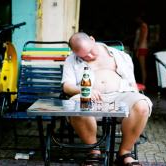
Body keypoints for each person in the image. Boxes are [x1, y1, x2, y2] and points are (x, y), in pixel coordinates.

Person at [61, 32, 153, 166]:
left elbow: (132, 84)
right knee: (76, 105)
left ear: (92, 39)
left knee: (142, 105)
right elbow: (67, 87)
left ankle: (124, 153)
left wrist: (137, 96)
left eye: (91, 51)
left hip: (121, 94)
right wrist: (84, 91)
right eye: (85, 56)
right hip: (90, 97)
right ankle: (93, 152)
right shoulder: (71, 59)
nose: (90, 56)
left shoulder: (120, 55)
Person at [134, 15, 149, 85]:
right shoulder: (143, 26)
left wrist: (137, 49)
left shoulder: (143, 26)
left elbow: (141, 38)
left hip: (141, 48)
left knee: (142, 68)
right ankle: (143, 83)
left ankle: (144, 84)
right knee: (142, 67)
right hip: (142, 47)